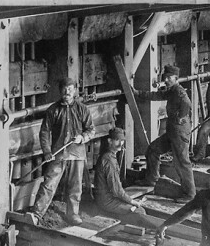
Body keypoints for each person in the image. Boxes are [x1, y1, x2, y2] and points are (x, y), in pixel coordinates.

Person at [30, 77, 95, 225]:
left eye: (70, 89)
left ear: (75, 91)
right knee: (49, 184)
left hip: (77, 155)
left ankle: (73, 214)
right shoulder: (53, 110)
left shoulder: (82, 109)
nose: (67, 92)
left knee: (75, 186)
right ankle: (36, 214)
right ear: (60, 91)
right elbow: (45, 132)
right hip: (57, 154)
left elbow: (91, 130)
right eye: (64, 89)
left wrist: (82, 138)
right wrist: (46, 151)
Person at [136, 65, 196, 201]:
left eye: (169, 77)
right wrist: (137, 93)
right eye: (166, 77)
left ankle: (190, 194)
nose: (167, 80)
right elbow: (157, 95)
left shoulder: (179, 91)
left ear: (176, 78)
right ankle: (151, 179)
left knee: (182, 162)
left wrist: (181, 116)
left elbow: (187, 104)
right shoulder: (171, 90)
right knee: (153, 149)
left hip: (179, 132)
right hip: (172, 131)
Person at [94, 127, 159, 229]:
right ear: (109, 141)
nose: (120, 144)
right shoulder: (108, 160)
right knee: (139, 211)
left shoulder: (110, 156)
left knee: (136, 206)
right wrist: (133, 202)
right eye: (117, 140)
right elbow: (116, 191)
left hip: (109, 198)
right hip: (107, 201)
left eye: (122, 141)